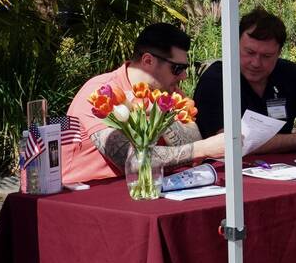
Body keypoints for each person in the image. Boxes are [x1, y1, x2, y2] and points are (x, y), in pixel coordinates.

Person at [59, 22, 226, 184]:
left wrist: (160, 115)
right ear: (147, 61)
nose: (184, 76)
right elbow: (129, 159)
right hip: (86, 197)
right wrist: (201, 149)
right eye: (177, 68)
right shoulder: (102, 93)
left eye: (186, 68)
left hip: (149, 190)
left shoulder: (167, 92)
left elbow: (193, 145)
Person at [192, 9, 296, 155]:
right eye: (249, 52)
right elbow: (230, 143)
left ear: (279, 53)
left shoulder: (289, 74)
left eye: (266, 56)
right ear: (235, 45)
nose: (256, 62)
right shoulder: (216, 80)